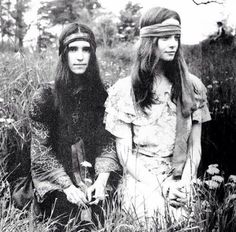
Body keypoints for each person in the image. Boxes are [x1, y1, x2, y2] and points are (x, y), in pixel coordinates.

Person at [92, 6, 211, 228]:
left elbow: (194, 147)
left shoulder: (192, 86)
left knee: (187, 221)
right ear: (149, 41)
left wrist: (185, 182)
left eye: (176, 36)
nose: (173, 43)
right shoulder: (125, 90)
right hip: (141, 177)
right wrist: (160, 185)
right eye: (165, 37)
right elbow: (125, 153)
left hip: (180, 173)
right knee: (154, 219)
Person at [29, 23, 121, 231]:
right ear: (63, 54)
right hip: (57, 173)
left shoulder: (104, 94)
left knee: (103, 210)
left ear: (93, 54)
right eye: (73, 49)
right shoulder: (45, 97)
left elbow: (108, 140)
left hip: (94, 168)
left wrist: (102, 180)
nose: (80, 56)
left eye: (86, 49)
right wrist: (67, 186)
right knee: (64, 215)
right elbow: (41, 150)